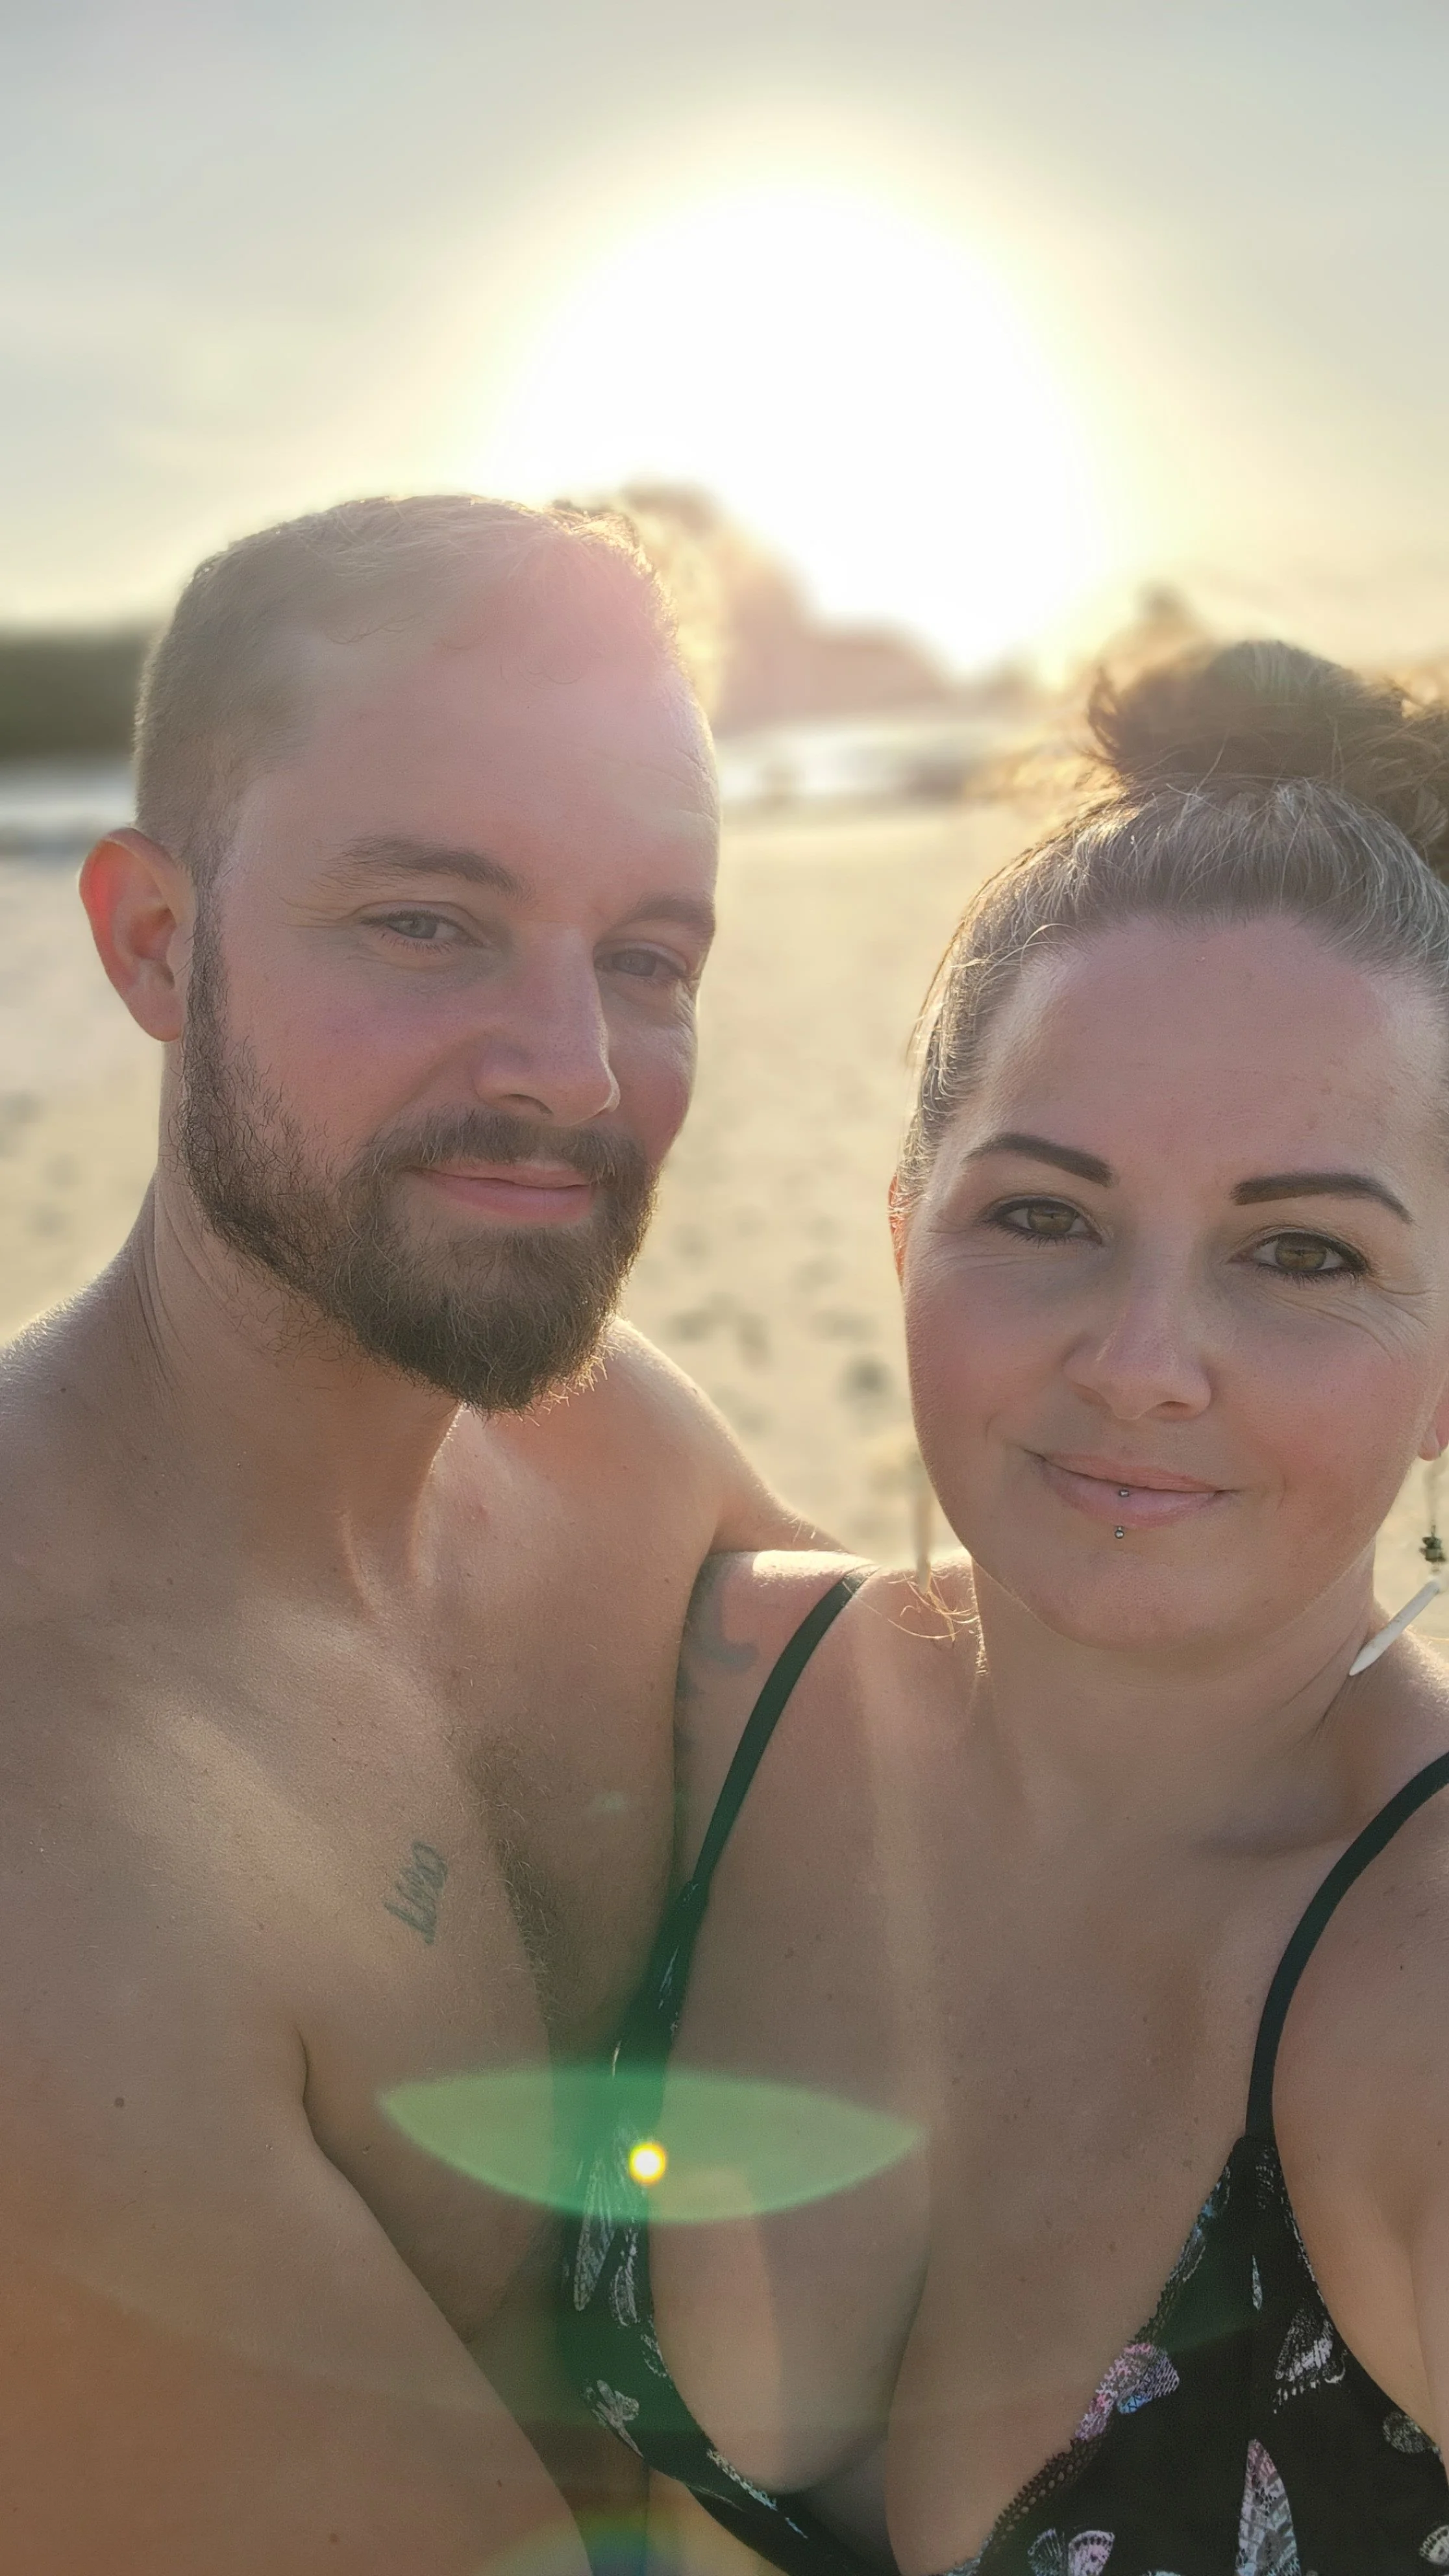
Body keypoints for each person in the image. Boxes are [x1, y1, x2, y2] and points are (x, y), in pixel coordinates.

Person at [0, 494, 824, 2572]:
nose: (572, 1070)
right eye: (428, 923)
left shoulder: (612, 1461)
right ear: (156, 947)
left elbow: (1072, 1801)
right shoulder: (57, 1871)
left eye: (649, 956)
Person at [567, 643, 1449, 2575]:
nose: (1142, 1363)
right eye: (1041, 1216)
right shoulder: (726, 1689)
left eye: (1302, 1252)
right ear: (907, 1234)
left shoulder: (1417, 1988)